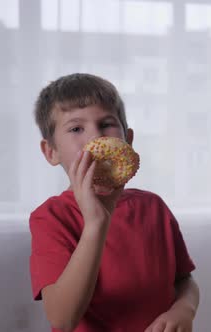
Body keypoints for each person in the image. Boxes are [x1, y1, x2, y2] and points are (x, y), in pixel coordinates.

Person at [29, 73, 199, 332]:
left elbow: (184, 281)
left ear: (128, 140)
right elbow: (62, 319)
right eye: (76, 128)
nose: (96, 138)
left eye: (106, 124)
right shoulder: (51, 218)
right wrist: (96, 223)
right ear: (51, 151)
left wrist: (184, 309)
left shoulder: (153, 208)